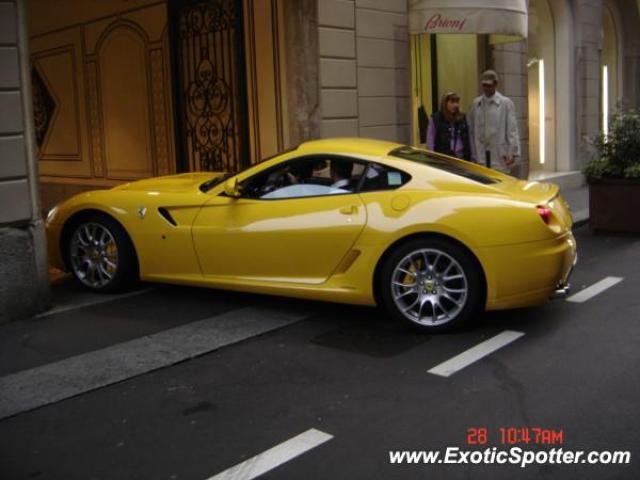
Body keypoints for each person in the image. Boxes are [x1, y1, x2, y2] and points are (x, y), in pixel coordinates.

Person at [467, 70, 521, 174]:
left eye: (489, 85)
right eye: (484, 85)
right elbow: (471, 128)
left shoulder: (505, 103)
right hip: (480, 153)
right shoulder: (476, 103)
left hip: (500, 154)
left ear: (496, 84)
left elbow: (512, 129)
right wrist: (472, 152)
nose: (486, 88)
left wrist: (513, 152)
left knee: (499, 181)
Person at [426, 92, 472, 160]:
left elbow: (468, 138)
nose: (455, 105)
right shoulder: (436, 119)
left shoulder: (462, 117)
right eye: (452, 102)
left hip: (461, 156)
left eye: (457, 102)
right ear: (445, 103)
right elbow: (430, 139)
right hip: (443, 156)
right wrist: (432, 156)